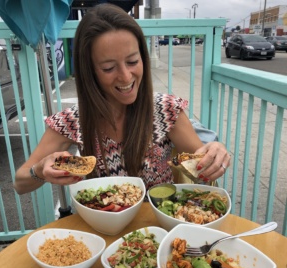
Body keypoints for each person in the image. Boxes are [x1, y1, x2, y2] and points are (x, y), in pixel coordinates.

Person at [14, 3, 231, 195]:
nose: (126, 77)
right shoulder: (73, 121)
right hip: (104, 231)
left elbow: (205, 174)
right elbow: (19, 183)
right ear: (89, 71)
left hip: (161, 230)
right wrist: (40, 170)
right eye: (108, 68)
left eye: (132, 61)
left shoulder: (166, 110)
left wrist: (215, 156)